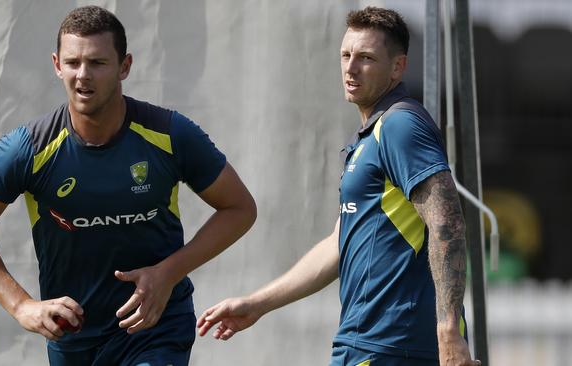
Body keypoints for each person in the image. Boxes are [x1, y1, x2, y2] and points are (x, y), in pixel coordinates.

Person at [0, 5, 256, 366]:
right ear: (56, 64)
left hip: (154, 329)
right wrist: (21, 305)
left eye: (97, 63)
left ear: (125, 66)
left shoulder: (170, 134)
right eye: (73, 63)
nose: (83, 76)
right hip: (74, 338)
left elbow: (239, 208)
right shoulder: (28, 148)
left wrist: (169, 272)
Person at [197, 7, 480, 366]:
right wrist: (258, 304)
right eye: (346, 55)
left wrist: (448, 332)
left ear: (397, 67)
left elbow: (448, 225)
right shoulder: (369, 136)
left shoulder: (400, 126)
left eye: (366, 58)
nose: (350, 67)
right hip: (368, 342)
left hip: (394, 344)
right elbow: (338, 243)